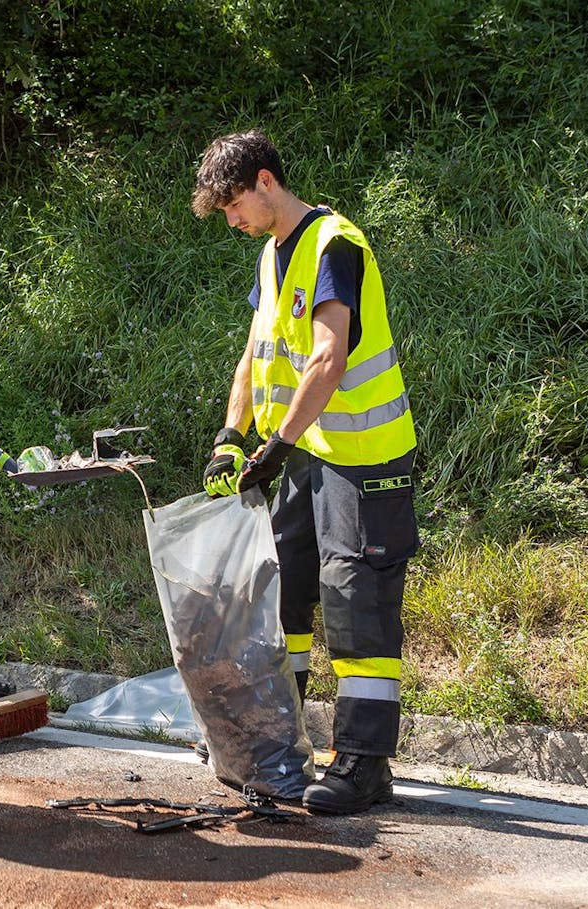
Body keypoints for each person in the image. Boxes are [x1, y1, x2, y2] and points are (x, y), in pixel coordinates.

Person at [192, 130, 419, 815]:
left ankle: (364, 763)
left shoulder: (333, 245)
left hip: (363, 456)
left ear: (266, 181)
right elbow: (255, 352)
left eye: (234, 203)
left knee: (357, 599)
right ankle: (275, 740)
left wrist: (278, 445)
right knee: (282, 590)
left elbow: (328, 356)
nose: (232, 219)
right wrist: (233, 437)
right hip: (306, 454)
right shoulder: (271, 255)